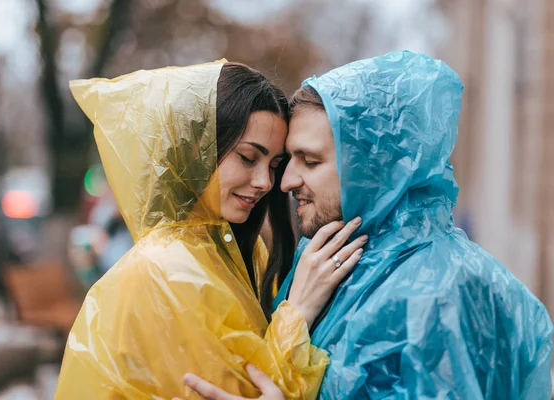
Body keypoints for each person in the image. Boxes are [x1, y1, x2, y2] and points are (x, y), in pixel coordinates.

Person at [183, 51, 554, 399]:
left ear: (375, 169)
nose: (286, 182)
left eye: (310, 161)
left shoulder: (437, 295)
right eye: (289, 161)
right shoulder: (335, 261)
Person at [54, 60, 367, 399]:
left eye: (274, 164)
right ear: (197, 149)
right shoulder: (162, 272)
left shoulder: (240, 251)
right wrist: (298, 313)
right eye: (248, 157)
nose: (265, 182)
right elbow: (249, 390)